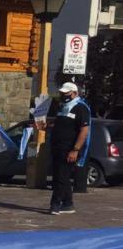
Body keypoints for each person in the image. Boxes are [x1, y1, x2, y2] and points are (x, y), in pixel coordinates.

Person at [45, 82, 90, 215]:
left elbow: (84, 131)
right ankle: (68, 204)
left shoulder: (81, 108)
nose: (63, 95)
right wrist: (47, 126)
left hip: (69, 148)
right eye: (62, 93)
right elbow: (60, 125)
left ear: (74, 93)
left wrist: (75, 150)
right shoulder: (62, 107)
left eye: (66, 93)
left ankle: (55, 204)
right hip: (57, 147)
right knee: (60, 176)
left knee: (61, 177)